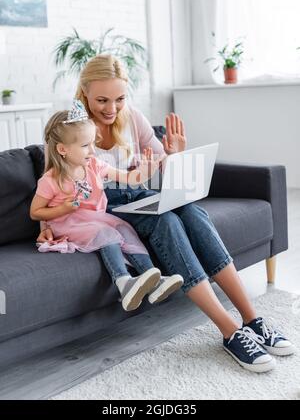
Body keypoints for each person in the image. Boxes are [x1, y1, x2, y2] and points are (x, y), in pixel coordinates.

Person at [37, 54, 295, 372]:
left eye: (119, 99)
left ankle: (253, 320)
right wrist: (46, 223)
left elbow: (163, 170)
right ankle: (230, 332)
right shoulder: (70, 127)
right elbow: (54, 181)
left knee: (192, 211)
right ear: (85, 92)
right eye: (102, 100)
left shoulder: (131, 118)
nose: (111, 109)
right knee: (167, 222)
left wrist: (173, 154)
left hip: (140, 194)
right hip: (107, 208)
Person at [30, 101, 183, 312]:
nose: (92, 150)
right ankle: (123, 282)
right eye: (85, 145)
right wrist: (64, 208)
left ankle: (154, 279)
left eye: (92, 143)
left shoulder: (94, 166)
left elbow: (130, 178)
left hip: (94, 218)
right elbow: (35, 212)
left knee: (125, 230)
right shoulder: (51, 180)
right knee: (105, 232)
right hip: (67, 224)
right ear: (62, 149)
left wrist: (147, 169)